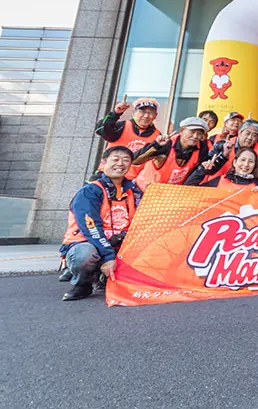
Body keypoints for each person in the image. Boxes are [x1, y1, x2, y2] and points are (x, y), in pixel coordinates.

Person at [60, 146, 142, 301]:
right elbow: (91, 228)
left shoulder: (134, 191)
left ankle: (106, 278)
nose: (120, 163)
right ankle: (83, 284)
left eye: (126, 160)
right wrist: (108, 256)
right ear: (103, 163)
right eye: (115, 159)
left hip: (118, 244)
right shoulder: (90, 191)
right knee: (84, 255)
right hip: (88, 242)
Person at [131, 116, 209, 190]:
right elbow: (134, 160)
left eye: (199, 133)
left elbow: (196, 174)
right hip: (146, 189)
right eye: (192, 132)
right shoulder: (166, 144)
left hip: (171, 193)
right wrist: (156, 145)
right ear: (182, 131)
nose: (195, 136)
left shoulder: (202, 149)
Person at [94, 97, 160, 179]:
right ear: (134, 112)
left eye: (150, 112)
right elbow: (100, 129)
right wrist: (115, 114)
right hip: (106, 175)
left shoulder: (158, 137)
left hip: (132, 181)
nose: (146, 116)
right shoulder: (122, 126)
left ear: (155, 116)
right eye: (142, 111)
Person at [184, 146, 258, 191]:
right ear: (234, 162)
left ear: (254, 165)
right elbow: (188, 189)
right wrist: (202, 170)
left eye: (251, 161)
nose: (246, 164)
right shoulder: (221, 180)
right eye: (243, 160)